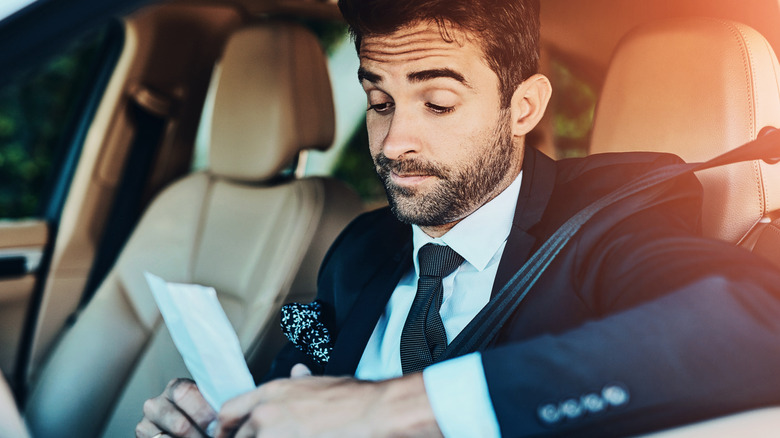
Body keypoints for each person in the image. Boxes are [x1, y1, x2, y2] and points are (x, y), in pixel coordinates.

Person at [136, 0, 780, 437]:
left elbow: (759, 322)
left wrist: (399, 407)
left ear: (523, 107)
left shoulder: (613, 214)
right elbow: (305, 360)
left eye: (438, 103)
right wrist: (225, 416)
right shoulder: (359, 248)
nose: (394, 144)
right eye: (380, 101)